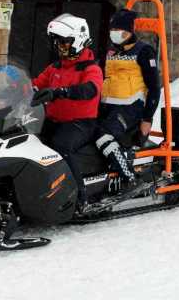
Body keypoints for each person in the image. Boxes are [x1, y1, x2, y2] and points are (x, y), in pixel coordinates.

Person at [30, 13, 103, 210]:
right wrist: (12, 88)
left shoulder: (90, 68)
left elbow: (91, 89)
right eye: (57, 42)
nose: (60, 46)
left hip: (80, 123)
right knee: (29, 143)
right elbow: (35, 85)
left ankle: (80, 197)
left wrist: (61, 92)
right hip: (53, 120)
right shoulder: (55, 67)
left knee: (60, 147)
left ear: (78, 41)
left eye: (64, 42)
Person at [95, 8, 160, 188]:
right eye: (112, 31)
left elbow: (154, 88)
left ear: (130, 31)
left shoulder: (144, 51)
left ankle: (129, 177)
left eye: (119, 31)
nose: (115, 34)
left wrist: (147, 119)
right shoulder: (111, 53)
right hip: (107, 107)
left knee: (103, 136)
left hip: (130, 109)